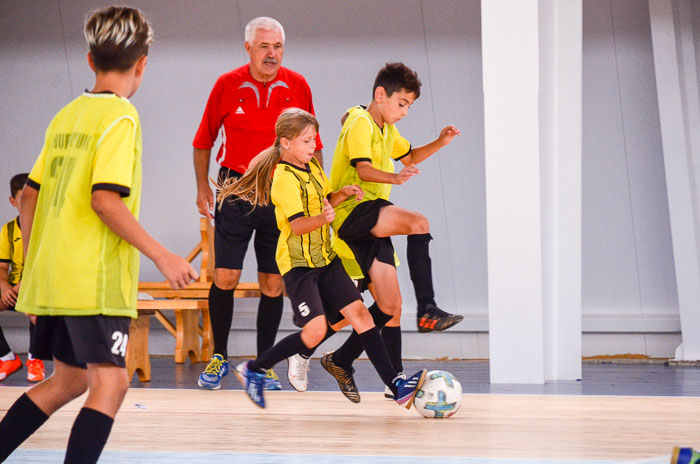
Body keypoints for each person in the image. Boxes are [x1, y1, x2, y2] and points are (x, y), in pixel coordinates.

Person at [0, 7, 198, 463]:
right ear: (143, 63)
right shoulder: (121, 118)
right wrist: (164, 256)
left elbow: (28, 197)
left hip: (53, 278)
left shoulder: (66, 115)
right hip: (93, 281)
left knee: (69, 380)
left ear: (89, 61)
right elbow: (104, 200)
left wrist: (34, 275)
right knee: (111, 381)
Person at [218, 107, 426, 409]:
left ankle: (396, 385)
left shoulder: (313, 168)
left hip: (326, 260)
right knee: (315, 330)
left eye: (314, 140)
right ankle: (254, 369)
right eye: (306, 141)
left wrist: (340, 195)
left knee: (362, 315)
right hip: (300, 266)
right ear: (286, 143)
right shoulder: (283, 178)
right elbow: (298, 224)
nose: (313, 146)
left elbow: (325, 199)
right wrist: (324, 217)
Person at [192, 16, 323, 391]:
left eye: (278, 46)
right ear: (248, 47)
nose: (271, 54)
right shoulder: (226, 84)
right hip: (235, 186)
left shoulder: (297, 85)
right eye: (264, 46)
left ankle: (262, 364)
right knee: (225, 277)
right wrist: (203, 188)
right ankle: (219, 356)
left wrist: (315, 195)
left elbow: (315, 144)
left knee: (272, 281)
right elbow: (203, 140)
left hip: (281, 186)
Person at [320, 62, 463, 402]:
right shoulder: (359, 123)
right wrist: (396, 179)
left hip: (371, 218)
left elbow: (410, 156)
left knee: (390, 306)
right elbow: (365, 170)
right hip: (350, 212)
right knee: (418, 222)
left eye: (410, 106)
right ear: (380, 95)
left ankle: (340, 360)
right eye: (402, 103)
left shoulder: (386, 128)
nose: (405, 111)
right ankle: (428, 309)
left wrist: (440, 142)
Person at [0, 173, 44, 382]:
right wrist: (3, 285)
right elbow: (2, 267)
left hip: (40, 288)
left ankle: (36, 359)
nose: (29, 203)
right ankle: (7, 357)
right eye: (23, 198)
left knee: (34, 302)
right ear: (12, 201)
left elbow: (45, 267)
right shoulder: (8, 230)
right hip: (15, 290)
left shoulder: (47, 229)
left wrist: (23, 285)